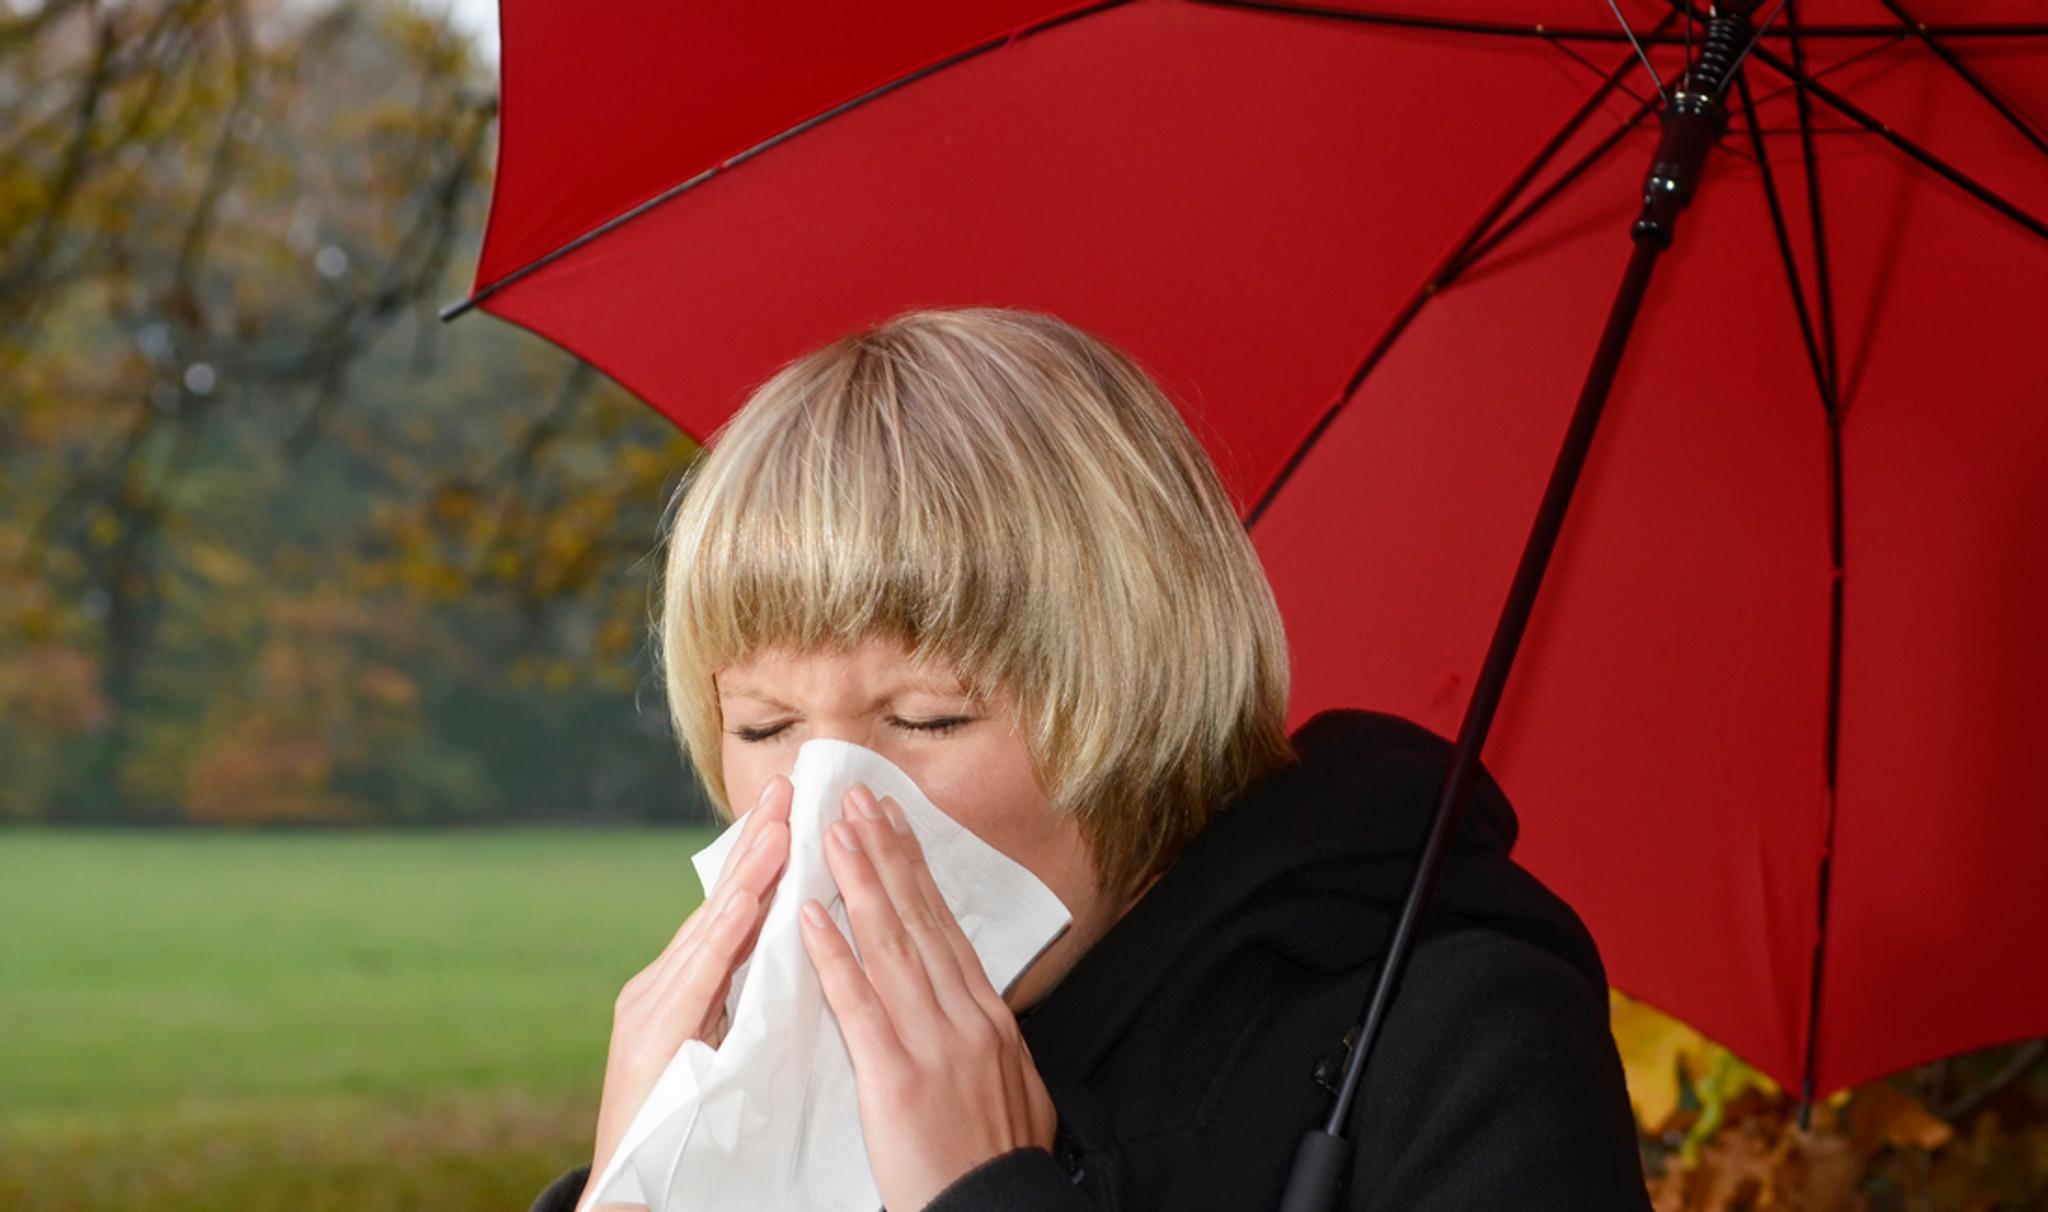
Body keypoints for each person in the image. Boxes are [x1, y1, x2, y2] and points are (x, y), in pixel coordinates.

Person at [529, 307, 1651, 1212]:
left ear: (1140, 702)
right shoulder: (768, 1079)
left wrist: (989, 1192)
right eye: (764, 728)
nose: (827, 807)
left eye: (926, 718)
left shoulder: (1457, 1046)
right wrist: (640, 1186)